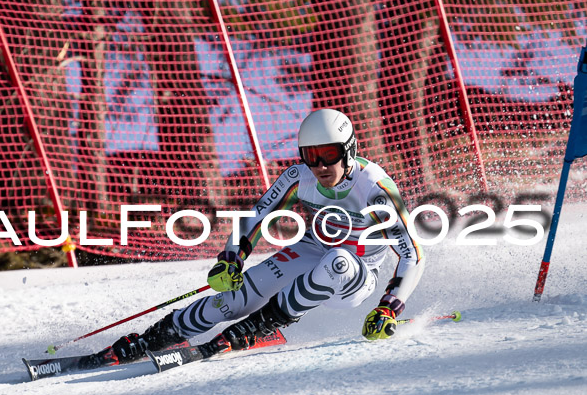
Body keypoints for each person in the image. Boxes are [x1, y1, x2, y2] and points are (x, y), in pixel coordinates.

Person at [109, 108, 425, 362]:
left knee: (338, 261)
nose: (319, 165)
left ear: (349, 150)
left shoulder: (375, 188)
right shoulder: (298, 176)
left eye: (328, 154)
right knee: (232, 298)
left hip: (355, 274)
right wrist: (232, 259)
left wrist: (389, 306)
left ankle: (260, 326)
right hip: (312, 249)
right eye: (310, 155)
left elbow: (412, 253)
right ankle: (156, 337)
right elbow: (257, 217)